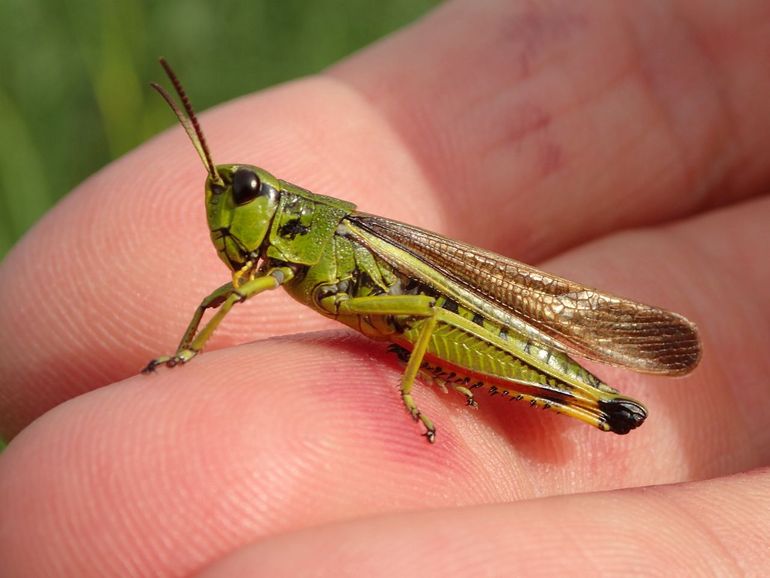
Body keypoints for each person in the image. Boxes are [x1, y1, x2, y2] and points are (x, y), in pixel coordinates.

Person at [1, 1, 768, 575]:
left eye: (238, 191)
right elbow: (218, 298)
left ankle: (592, 401)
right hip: (425, 314)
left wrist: (414, 385)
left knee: (434, 311)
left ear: (273, 204)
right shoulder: (279, 265)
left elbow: (421, 312)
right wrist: (182, 354)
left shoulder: (326, 244)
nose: (225, 210)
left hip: (481, 323)